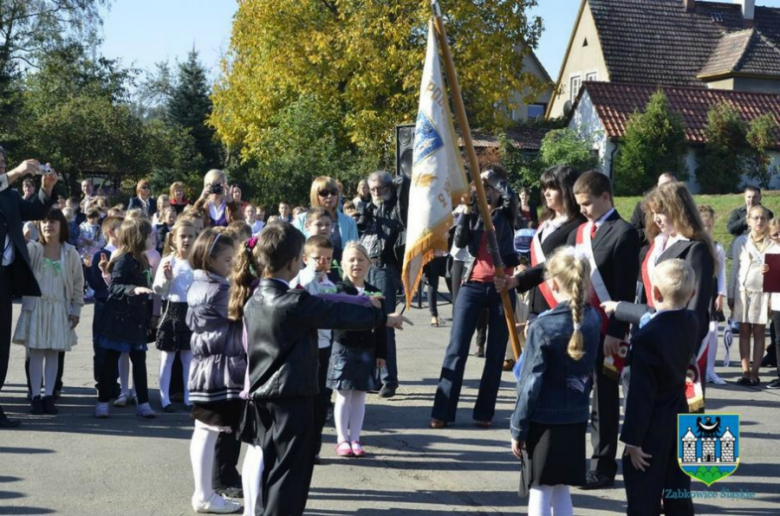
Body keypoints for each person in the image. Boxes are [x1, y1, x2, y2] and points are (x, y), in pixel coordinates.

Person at [238, 222, 408, 516]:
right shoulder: (291, 302)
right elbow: (335, 311)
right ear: (294, 262)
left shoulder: (255, 298)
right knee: (289, 478)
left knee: (272, 472)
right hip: (290, 398)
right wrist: (380, 317)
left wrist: (376, 314)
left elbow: (328, 301)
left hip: (263, 399)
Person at [604, 182, 715, 409]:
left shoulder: (696, 249)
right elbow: (646, 297)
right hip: (649, 335)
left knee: (683, 422)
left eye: (661, 212)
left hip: (675, 345)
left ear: (677, 209)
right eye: (653, 213)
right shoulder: (656, 246)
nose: (655, 219)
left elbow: (696, 309)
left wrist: (681, 353)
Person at [510, 248, 600, 516]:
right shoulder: (593, 318)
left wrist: (517, 427)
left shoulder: (543, 327)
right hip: (574, 416)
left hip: (543, 420)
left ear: (551, 283)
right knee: (561, 487)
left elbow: (529, 385)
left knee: (539, 488)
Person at [567, 170, 640, 491]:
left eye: (587, 203)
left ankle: (603, 466)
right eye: (579, 203)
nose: (582, 209)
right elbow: (560, 268)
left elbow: (624, 289)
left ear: (605, 197)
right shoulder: (580, 232)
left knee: (605, 401)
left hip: (608, 331)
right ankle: (573, 461)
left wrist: (617, 332)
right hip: (579, 329)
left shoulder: (623, 232)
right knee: (574, 397)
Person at [430, 166, 518, 429]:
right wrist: (467, 210)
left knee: (495, 354)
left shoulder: (506, 213)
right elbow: (460, 241)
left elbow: (511, 197)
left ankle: (484, 413)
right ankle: (442, 411)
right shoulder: (473, 215)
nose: (487, 192)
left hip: (502, 286)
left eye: (490, 189)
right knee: (456, 349)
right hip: (472, 285)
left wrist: (489, 178)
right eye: (483, 189)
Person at [620, 259, 698, 516]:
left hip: (651, 426)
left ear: (653, 293)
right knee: (678, 489)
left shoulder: (648, 336)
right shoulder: (691, 322)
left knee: (644, 495)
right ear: (693, 294)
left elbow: (640, 393)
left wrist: (632, 439)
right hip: (680, 416)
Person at [186, 228, 246, 514]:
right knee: (209, 431)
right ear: (208, 259)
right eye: (227, 259)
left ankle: (204, 493)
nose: (233, 264)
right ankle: (205, 495)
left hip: (206, 369)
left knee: (204, 431)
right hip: (217, 370)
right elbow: (244, 311)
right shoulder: (219, 289)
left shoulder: (200, 283)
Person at [0, 152, 58, 428]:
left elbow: (34, 211)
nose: (2, 167)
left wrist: (46, 187)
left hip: (5, 279)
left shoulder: (10, 196)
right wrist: (17, 172)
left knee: (1, 347)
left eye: (3, 163)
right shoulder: (8, 183)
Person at [13, 208, 84, 415]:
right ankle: (35, 396)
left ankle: (49, 396)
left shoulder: (70, 252)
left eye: (53, 221)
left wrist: (76, 309)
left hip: (59, 308)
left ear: (62, 226)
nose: (48, 225)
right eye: (44, 222)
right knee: (35, 352)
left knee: (53, 353)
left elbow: (78, 284)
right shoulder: (34, 248)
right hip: (36, 307)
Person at [501, 166, 585, 325]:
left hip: (559, 301)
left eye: (552, 188)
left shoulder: (578, 225)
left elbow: (556, 263)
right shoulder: (545, 223)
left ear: (567, 190)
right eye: (544, 188)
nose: (546, 193)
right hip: (536, 298)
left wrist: (519, 279)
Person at [328, 242, 387, 458]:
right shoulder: (339, 291)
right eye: (351, 260)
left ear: (369, 263)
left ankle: (356, 438)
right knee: (343, 394)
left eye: (361, 260)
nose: (356, 264)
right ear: (343, 264)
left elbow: (382, 325)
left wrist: (382, 353)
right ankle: (342, 438)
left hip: (367, 350)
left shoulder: (376, 292)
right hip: (343, 348)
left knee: (360, 395)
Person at [94, 217, 156, 419]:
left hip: (137, 320)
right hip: (119, 320)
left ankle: (143, 402)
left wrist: (150, 318)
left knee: (140, 362)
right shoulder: (124, 260)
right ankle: (103, 402)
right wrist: (132, 289)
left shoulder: (143, 259)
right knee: (110, 362)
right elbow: (114, 286)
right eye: (148, 234)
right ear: (138, 237)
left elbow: (148, 291)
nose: (152, 238)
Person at [357, 170, 410, 398]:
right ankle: (373, 377)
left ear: (390, 187)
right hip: (364, 266)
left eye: (381, 188)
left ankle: (389, 379)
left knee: (385, 324)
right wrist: (364, 209)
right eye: (373, 188)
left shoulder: (397, 207)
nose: (377, 192)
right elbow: (360, 229)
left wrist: (401, 181)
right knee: (366, 324)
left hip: (383, 268)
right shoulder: (369, 207)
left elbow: (405, 188)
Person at [289, 235, 337, 462]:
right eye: (318, 258)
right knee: (302, 399)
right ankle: (299, 444)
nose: (323, 263)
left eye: (328, 259)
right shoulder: (300, 281)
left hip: (324, 345)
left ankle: (314, 446)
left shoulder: (331, 284)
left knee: (321, 398)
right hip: (304, 346)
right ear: (305, 258)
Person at [728, 205, 778, 387]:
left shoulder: (773, 245)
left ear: (767, 221)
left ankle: (755, 373)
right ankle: (745, 371)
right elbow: (734, 269)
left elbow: (775, 275)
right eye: (755, 218)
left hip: (762, 293)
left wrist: (771, 297)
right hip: (742, 291)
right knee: (743, 331)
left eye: (763, 218)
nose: (759, 221)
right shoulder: (740, 242)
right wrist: (731, 291)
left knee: (758, 332)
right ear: (748, 220)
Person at [153, 220, 197, 412]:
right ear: (174, 239)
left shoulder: (198, 262)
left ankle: (188, 397)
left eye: (191, 236)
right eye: (182, 236)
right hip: (172, 312)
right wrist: (167, 279)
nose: (186, 240)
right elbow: (158, 289)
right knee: (167, 357)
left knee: (188, 358)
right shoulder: (168, 261)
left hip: (191, 313)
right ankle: (164, 398)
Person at [86, 216, 123, 397]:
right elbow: (94, 284)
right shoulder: (100, 255)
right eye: (121, 229)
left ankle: (115, 382)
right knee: (100, 345)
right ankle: (102, 382)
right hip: (103, 305)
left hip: (121, 306)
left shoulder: (126, 254)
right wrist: (95, 270)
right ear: (110, 232)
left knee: (117, 345)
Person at [294, 176, 360, 259]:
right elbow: (295, 250)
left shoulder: (349, 222)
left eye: (334, 192)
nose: (329, 196)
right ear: (315, 195)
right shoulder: (301, 219)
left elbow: (355, 251)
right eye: (324, 192)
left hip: (340, 270)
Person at [699, 205, 727, 386]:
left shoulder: (718, 247)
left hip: (711, 291)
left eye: (709, 225)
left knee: (713, 332)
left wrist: (721, 295)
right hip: (695, 291)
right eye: (703, 225)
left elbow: (722, 273)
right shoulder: (691, 244)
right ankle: (695, 369)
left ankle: (710, 371)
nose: (706, 229)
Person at [629, 172, 677, 252]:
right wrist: (654, 231)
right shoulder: (643, 207)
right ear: (657, 186)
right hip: (647, 252)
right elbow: (633, 233)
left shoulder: (682, 209)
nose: (667, 190)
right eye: (663, 186)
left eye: (671, 186)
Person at [726, 186, 773, 259]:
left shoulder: (767, 213)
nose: (751, 200)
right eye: (749, 197)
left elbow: (769, 231)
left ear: (760, 197)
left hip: (759, 250)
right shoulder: (737, 212)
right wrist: (746, 218)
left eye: (754, 197)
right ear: (745, 197)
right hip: (740, 249)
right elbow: (731, 229)